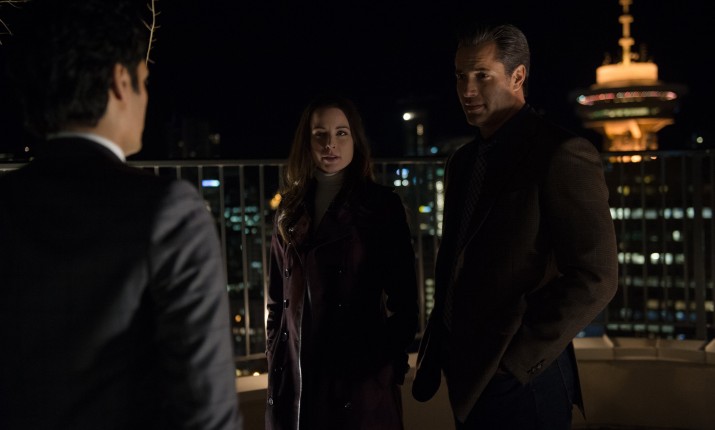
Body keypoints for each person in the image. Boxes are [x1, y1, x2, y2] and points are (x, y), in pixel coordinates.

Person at [0, 1, 241, 429]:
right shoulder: (168, 211)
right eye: (144, 81)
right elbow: (208, 410)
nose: (146, 97)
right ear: (119, 82)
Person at [412, 23, 618, 429]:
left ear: (518, 76)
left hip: (524, 379)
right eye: (460, 76)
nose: (467, 90)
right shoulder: (463, 162)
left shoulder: (561, 153)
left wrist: (516, 361)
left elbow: (597, 276)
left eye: (482, 75)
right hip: (467, 370)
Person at [265, 95, 419, 430]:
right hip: (296, 376)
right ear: (306, 142)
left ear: (355, 140)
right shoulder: (289, 209)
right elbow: (277, 300)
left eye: (341, 133)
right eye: (319, 134)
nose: (330, 144)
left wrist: (384, 367)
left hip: (358, 379)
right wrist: (276, 356)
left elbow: (406, 303)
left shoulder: (380, 206)